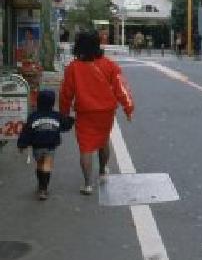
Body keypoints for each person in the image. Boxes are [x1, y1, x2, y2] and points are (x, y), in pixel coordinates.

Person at [60, 31, 135, 195]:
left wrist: (63, 112)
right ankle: (102, 171)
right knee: (103, 141)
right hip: (106, 112)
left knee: (86, 148)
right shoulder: (109, 65)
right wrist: (128, 108)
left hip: (85, 113)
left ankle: (87, 185)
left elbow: (66, 93)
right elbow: (121, 88)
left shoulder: (73, 67)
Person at [17, 90, 74, 200]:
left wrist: (22, 144)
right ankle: (44, 189)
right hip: (50, 147)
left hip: (37, 147)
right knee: (47, 167)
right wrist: (71, 119)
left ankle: (40, 184)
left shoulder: (33, 116)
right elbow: (66, 126)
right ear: (53, 103)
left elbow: (26, 132)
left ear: (38, 102)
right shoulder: (56, 116)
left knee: (40, 165)